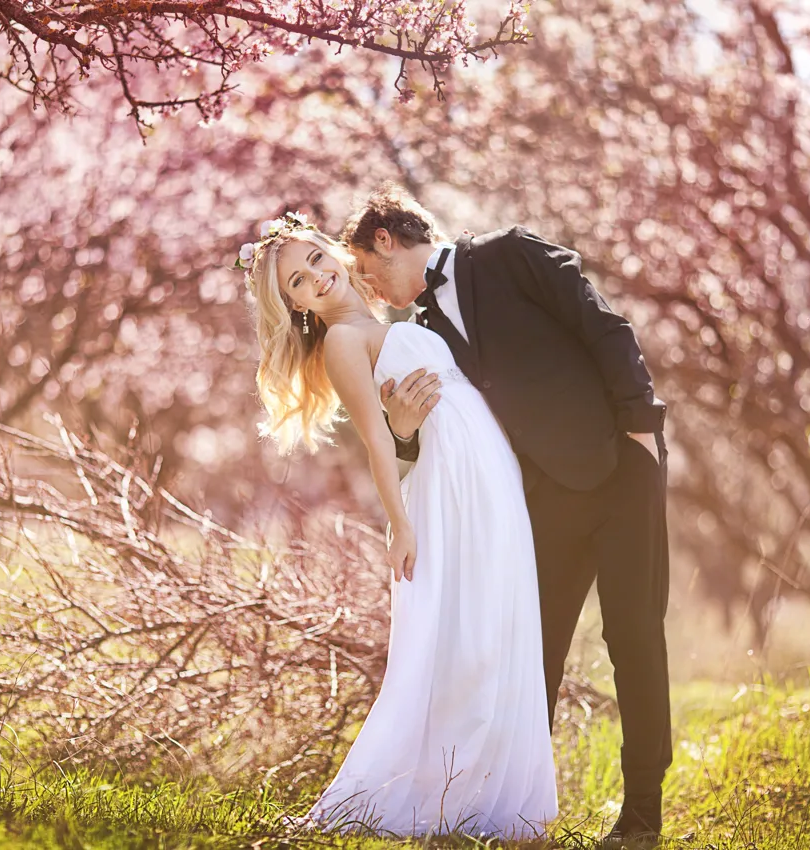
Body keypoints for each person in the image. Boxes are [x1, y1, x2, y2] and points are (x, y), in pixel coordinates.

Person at [343, 185, 672, 849]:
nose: (367, 288)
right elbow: (440, 435)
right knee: (529, 653)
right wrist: (401, 432)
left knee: (634, 637)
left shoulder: (509, 253)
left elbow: (603, 326)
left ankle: (642, 817)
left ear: (385, 238)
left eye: (365, 270)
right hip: (536, 507)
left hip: (619, 471)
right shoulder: (419, 335)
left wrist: (642, 432)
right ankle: (505, 813)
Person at [240, 212, 557, 837]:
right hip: (448, 487)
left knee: (503, 622)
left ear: (332, 250)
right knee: (468, 639)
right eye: (299, 282)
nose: (317, 278)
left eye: (315, 260)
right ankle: (441, 797)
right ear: (296, 306)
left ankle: (493, 799)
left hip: (490, 474)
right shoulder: (343, 341)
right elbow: (379, 443)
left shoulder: (390, 318)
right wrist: (401, 524)